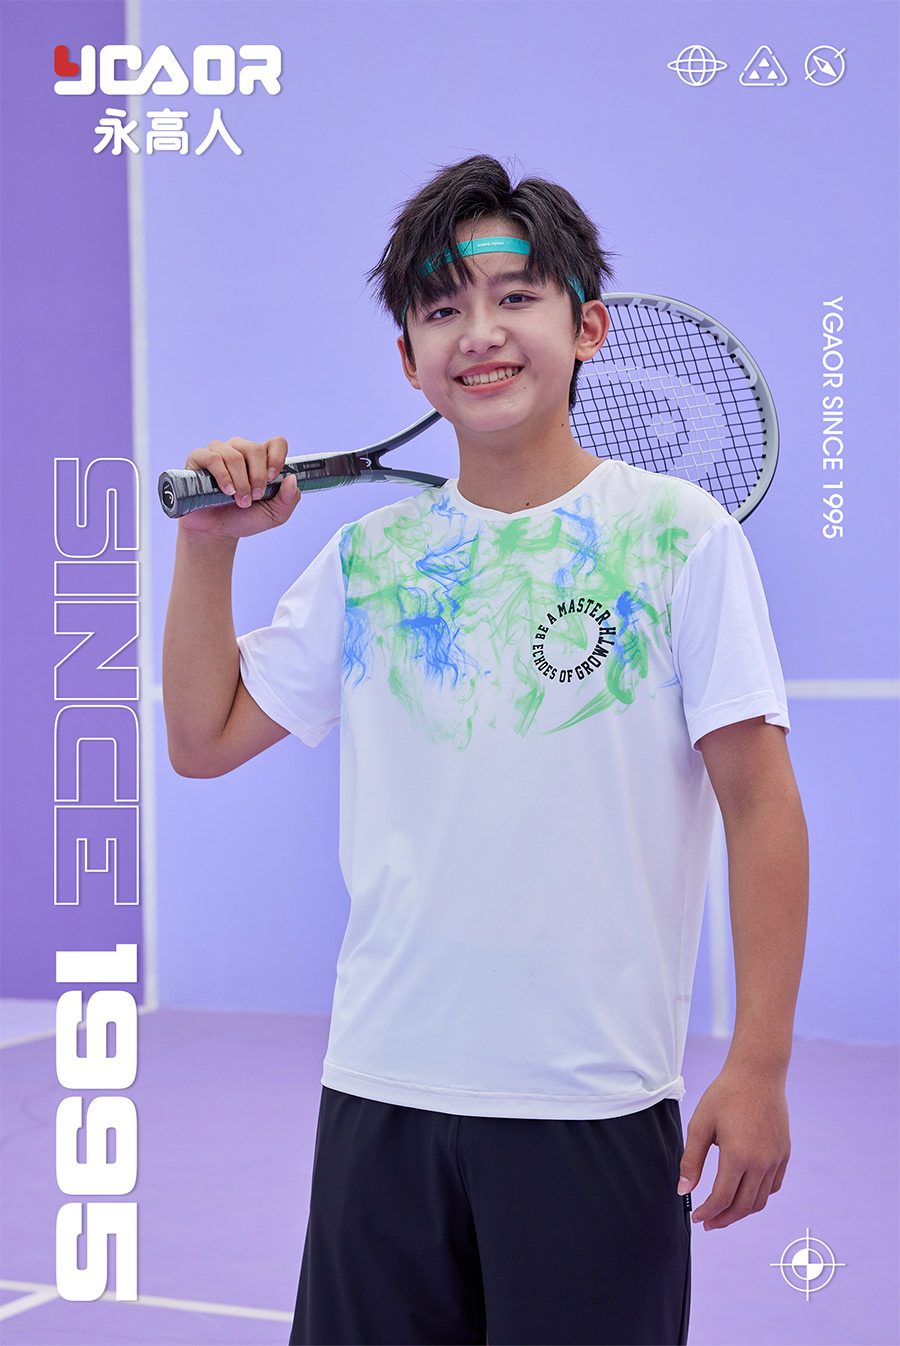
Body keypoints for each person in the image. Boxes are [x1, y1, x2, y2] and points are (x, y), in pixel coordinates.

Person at [162, 155, 808, 1346]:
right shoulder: (370, 560)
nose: (481, 331)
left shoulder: (681, 537)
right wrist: (209, 549)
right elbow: (202, 738)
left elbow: (761, 802)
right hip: (383, 1091)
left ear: (588, 326)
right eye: (442, 307)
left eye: (515, 295)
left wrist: (758, 1061)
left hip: (593, 1100)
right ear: (409, 360)